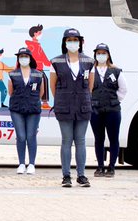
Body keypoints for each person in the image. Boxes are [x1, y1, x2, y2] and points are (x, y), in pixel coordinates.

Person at [50, 28, 94, 188]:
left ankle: (81, 175)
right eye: (69, 40)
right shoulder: (56, 62)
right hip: (64, 106)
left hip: (83, 106)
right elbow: (53, 86)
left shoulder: (89, 61)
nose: (72, 42)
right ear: (65, 42)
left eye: (75, 40)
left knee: (81, 140)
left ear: (80, 42)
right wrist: (63, 98)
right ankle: (66, 175)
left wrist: (82, 98)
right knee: (67, 140)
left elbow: (90, 86)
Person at [90, 43, 127, 178]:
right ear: (95, 55)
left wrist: (114, 100)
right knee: (98, 138)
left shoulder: (116, 71)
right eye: (98, 53)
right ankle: (100, 166)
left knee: (113, 138)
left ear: (108, 55)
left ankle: (111, 167)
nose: (101, 55)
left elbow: (123, 89)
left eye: (103, 53)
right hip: (95, 110)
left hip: (113, 110)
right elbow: (86, 89)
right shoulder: (91, 71)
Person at [7, 47, 43, 175]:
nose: (23, 59)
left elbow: (41, 92)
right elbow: (11, 92)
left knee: (31, 136)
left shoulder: (38, 74)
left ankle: (32, 164)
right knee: (21, 136)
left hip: (33, 109)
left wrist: (31, 100)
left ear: (30, 58)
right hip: (17, 109)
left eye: (25, 56)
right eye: (21, 56)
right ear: (18, 59)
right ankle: (22, 163)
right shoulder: (12, 74)